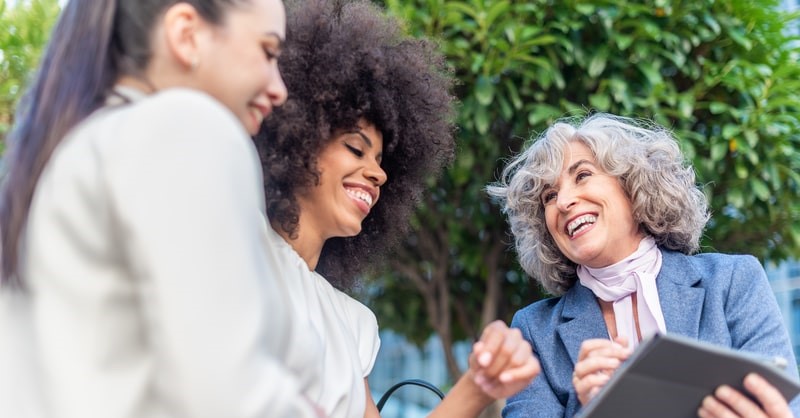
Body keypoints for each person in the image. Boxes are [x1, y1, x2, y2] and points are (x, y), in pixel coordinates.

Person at [0, 0, 322, 417]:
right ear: (186, 35)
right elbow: (227, 396)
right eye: (268, 51)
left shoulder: (66, 156)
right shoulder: (185, 127)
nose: (279, 89)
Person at [252, 1, 540, 417]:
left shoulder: (351, 322)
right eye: (356, 148)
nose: (377, 175)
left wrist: (477, 388)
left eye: (382, 162)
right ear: (294, 143)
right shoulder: (237, 254)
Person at [487, 113, 800, 418]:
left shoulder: (733, 281)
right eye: (549, 196)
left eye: (582, 175)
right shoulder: (535, 331)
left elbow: (786, 407)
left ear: (633, 185)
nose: (564, 202)